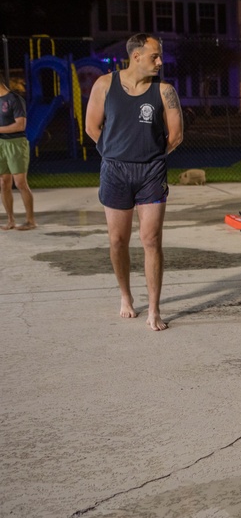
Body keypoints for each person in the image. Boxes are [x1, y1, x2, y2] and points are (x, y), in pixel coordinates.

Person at [84, 33, 183, 331]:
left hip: (151, 172)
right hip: (115, 171)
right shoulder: (105, 84)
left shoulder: (164, 91)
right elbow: (91, 127)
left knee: (151, 240)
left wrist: (150, 155)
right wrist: (116, 153)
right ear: (136, 56)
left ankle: (154, 308)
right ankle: (126, 297)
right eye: (154, 56)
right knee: (118, 241)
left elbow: (176, 136)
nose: (160, 61)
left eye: (160, 55)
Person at [0, 80, 35, 230]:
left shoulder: (14, 99)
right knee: (3, 183)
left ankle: (30, 221)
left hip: (16, 143)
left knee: (20, 183)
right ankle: (10, 220)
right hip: (1, 144)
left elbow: (20, 125)